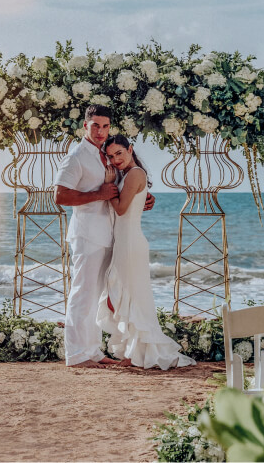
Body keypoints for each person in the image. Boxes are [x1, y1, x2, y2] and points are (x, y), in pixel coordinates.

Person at [53, 105, 155, 368]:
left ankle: (93, 352)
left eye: (105, 126)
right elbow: (60, 196)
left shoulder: (107, 155)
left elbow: (123, 187)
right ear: (85, 126)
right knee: (82, 294)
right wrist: (98, 195)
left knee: (97, 296)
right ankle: (76, 355)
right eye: (95, 125)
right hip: (87, 235)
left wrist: (143, 197)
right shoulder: (76, 157)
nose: (100, 131)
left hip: (110, 235)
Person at [96, 134, 196, 370]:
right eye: (111, 156)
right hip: (124, 242)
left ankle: (137, 355)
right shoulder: (127, 175)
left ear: (130, 149)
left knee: (134, 298)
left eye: (119, 153)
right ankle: (134, 352)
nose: (115, 159)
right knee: (124, 296)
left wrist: (108, 190)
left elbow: (121, 209)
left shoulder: (135, 174)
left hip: (131, 244)